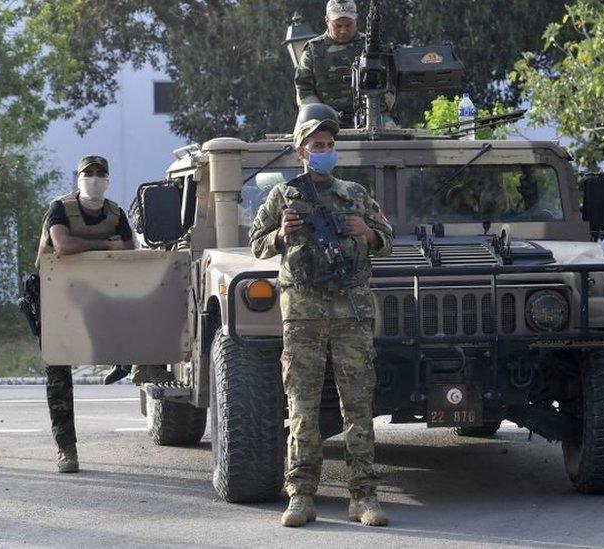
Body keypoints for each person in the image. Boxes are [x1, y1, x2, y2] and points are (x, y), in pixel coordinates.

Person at [249, 103, 394, 527]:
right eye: (317, 145)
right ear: (301, 150)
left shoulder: (355, 195)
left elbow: (387, 239)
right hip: (303, 313)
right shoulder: (282, 195)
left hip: (351, 311)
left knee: (358, 406)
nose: (325, 150)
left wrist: (366, 233)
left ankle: (363, 496)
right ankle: (301, 494)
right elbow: (256, 242)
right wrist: (281, 233)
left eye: (330, 145)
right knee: (302, 406)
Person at [36, 155, 134, 473]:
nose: (93, 178)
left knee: (144, 330)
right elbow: (62, 244)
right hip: (57, 299)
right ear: (77, 178)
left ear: (107, 178)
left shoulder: (115, 212)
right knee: (59, 374)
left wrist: (103, 247)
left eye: (99, 173)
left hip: (99, 297)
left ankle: (128, 363)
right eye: (87, 173)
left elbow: (130, 251)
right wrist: (107, 244)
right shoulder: (61, 208)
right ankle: (66, 449)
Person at [294, 0, 395, 128]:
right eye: (337, 25)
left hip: (372, 114)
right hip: (322, 116)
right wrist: (323, 112)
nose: (343, 30)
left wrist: (374, 108)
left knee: (390, 132)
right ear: (327, 21)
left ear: (356, 20)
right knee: (307, 134)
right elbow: (303, 89)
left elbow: (390, 85)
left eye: (348, 25)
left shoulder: (372, 48)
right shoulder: (313, 50)